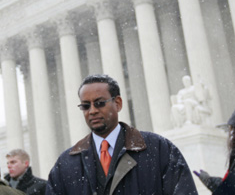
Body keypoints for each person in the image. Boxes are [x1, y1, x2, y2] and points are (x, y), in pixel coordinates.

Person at [46, 74, 197, 195]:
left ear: (118, 103)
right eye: (85, 106)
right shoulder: (65, 164)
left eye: (99, 103)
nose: (92, 111)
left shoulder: (158, 149)